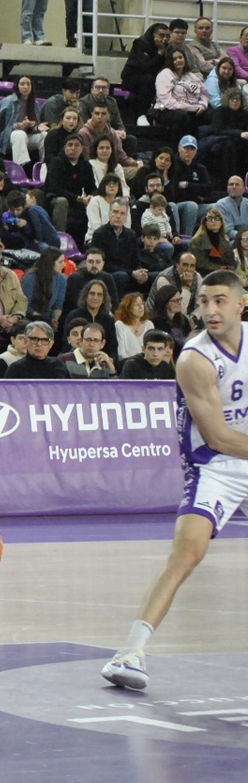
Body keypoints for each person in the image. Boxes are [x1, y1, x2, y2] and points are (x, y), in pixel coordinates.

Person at [102, 270, 248, 689]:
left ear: (241, 304)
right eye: (203, 301)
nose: (210, 310)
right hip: (214, 465)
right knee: (186, 556)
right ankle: (129, 653)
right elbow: (218, 437)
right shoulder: (194, 359)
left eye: (220, 301)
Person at [1, 320, 69, 378]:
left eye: (44, 340)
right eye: (34, 339)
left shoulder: (58, 366)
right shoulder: (15, 369)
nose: (39, 344)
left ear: (51, 344)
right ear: (26, 341)